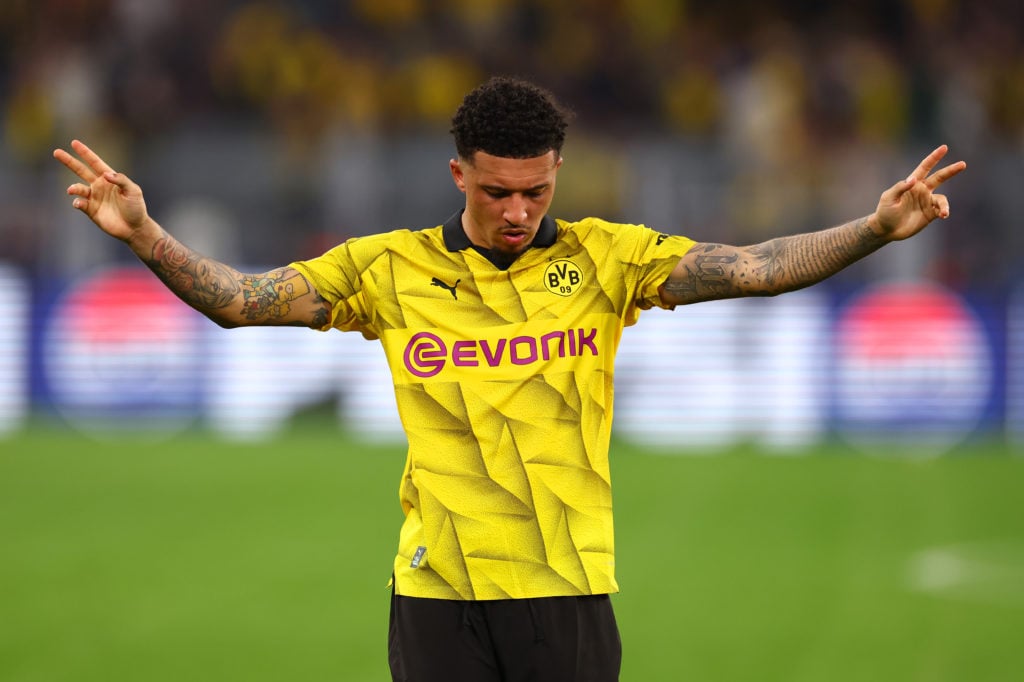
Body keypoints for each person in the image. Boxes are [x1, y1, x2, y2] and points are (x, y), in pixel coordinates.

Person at [54, 75, 965, 682]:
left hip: (565, 589)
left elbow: (757, 266)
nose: (519, 210)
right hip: (436, 595)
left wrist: (874, 229)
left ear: (558, 171)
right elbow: (243, 302)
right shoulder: (389, 268)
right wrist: (145, 237)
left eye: (536, 190)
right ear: (459, 175)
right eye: (497, 192)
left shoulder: (610, 258)